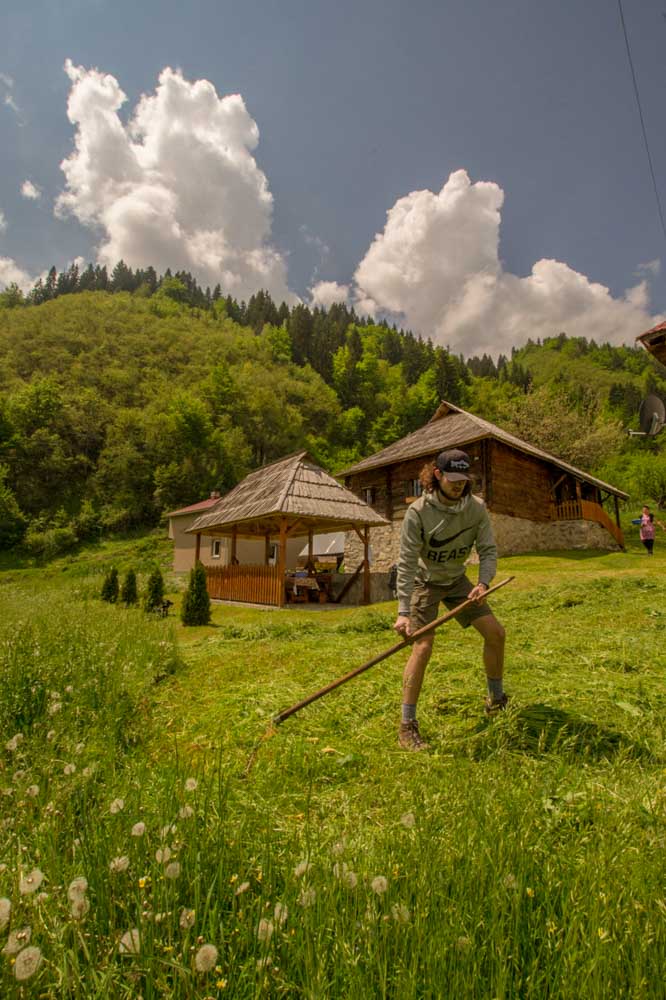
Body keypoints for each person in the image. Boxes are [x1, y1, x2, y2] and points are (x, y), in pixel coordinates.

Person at [393, 449, 507, 750]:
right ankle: (407, 725)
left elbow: (488, 550)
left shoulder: (476, 509)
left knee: (496, 634)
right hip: (424, 581)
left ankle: (496, 700)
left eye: (463, 479)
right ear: (437, 476)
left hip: (458, 581)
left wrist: (483, 583)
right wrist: (404, 611)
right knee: (423, 646)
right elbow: (405, 563)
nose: (458, 485)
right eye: (452, 479)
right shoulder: (418, 512)